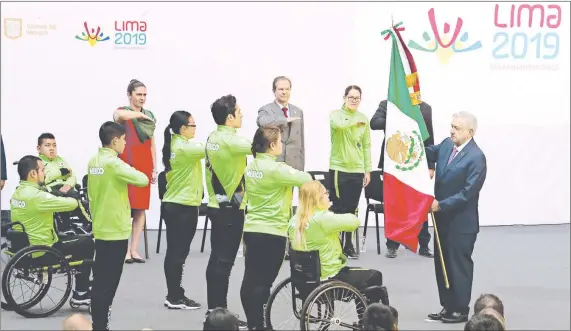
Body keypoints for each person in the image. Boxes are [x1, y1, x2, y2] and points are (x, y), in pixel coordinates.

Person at [240, 126, 312, 330]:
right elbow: (305, 178)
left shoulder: (251, 166)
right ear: (272, 145)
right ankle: (260, 326)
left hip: (252, 231)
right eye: (280, 141)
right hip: (273, 234)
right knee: (263, 285)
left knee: (250, 282)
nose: (281, 145)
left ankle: (255, 324)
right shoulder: (277, 169)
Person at [425, 111, 487, 324]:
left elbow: (467, 193)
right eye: (451, 126)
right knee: (442, 264)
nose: (452, 130)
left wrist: (440, 205)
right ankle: (447, 305)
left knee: (458, 266)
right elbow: (427, 153)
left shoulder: (476, 157)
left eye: (457, 128)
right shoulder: (445, 145)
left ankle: (460, 309)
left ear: (471, 132)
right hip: (441, 220)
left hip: (461, 222)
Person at [88, 121, 149, 331]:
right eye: (124, 140)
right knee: (109, 282)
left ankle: (98, 321)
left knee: (99, 279)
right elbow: (141, 179)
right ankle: (101, 324)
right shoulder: (114, 164)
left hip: (100, 226)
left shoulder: (94, 160)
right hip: (115, 230)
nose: (125, 143)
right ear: (114, 141)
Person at [10, 155, 94, 306]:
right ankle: (81, 293)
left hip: (24, 247)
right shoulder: (38, 197)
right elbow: (71, 205)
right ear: (33, 174)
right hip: (44, 250)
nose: (45, 174)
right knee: (87, 243)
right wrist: (71, 197)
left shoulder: (17, 193)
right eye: (42, 170)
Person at [289, 181, 389, 305]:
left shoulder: (294, 221)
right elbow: (354, 222)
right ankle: (369, 321)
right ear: (318, 198)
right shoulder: (323, 218)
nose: (328, 197)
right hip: (329, 276)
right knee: (374, 275)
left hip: (304, 280)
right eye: (326, 193)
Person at [204, 94, 250, 329]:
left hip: (216, 205)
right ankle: (220, 315)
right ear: (229, 116)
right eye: (239, 112)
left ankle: (214, 311)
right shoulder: (233, 141)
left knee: (216, 260)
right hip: (231, 209)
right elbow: (262, 147)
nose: (242, 115)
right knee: (224, 262)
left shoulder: (212, 137)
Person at [370, 99, 435, 258]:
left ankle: (424, 245)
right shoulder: (389, 104)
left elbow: (429, 137)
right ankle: (392, 245)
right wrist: (398, 119)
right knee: (394, 205)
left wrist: (431, 164)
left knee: (420, 203)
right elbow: (374, 122)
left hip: (417, 163)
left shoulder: (425, 107)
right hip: (394, 164)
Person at [160, 110, 204, 310]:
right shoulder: (185, 147)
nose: (195, 129)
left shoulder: (176, 145)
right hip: (182, 207)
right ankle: (174, 296)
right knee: (177, 254)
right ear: (183, 128)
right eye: (193, 125)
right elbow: (213, 149)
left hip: (176, 206)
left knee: (175, 253)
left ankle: (175, 293)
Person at [113, 79, 157, 263]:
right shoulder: (124, 112)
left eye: (145, 94)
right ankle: (123, 250)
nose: (142, 98)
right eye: (139, 94)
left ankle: (134, 249)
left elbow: (152, 143)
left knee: (140, 209)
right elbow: (117, 114)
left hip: (144, 165)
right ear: (129, 95)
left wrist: (154, 167)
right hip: (125, 164)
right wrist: (139, 116)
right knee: (125, 208)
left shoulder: (149, 115)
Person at [329, 85, 372, 259]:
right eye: (351, 97)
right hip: (339, 168)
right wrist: (354, 121)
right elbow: (339, 126)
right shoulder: (336, 115)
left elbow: (366, 146)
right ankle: (336, 245)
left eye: (357, 98)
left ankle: (347, 244)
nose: (354, 101)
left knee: (352, 210)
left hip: (357, 170)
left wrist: (367, 170)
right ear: (344, 98)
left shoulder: (364, 119)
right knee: (339, 209)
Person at [256, 76, 305, 171]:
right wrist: (285, 119)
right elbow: (261, 121)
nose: (284, 92)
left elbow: (301, 143)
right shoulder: (266, 109)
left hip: (294, 165)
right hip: (274, 164)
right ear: (274, 91)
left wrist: (301, 168)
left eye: (287, 89)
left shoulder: (298, 111)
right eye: (281, 89)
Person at [36, 133, 79, 199]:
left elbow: (73, 176)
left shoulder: (61, 160)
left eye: (54, 145)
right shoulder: (36, 162)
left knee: (75, 196)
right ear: (39, 149)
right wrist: (60, 172)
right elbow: (40, 181)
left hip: (65, 188)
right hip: (49, 191)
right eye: (47, 145)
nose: (52, 148)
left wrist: (68, 185)